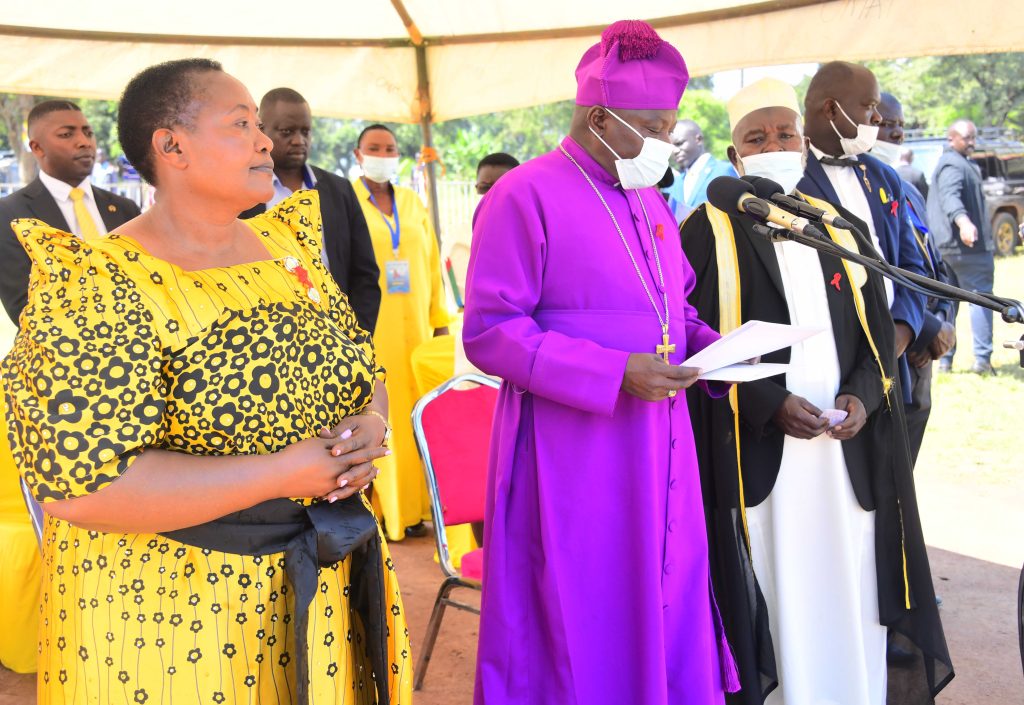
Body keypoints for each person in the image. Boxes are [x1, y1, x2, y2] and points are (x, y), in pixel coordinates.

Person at [2, 58, 412, 704]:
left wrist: (372, 421)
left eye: (259, 126)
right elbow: (82, 486)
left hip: (316, 585)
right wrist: (283, 472)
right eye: (241, 124)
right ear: (172, 146)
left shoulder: (289, 251)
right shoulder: (98, 283)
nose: (264, 141)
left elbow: (363, 369)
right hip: (173, 615)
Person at [464, 20, 740, 705]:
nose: (664, 141)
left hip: (661, 439)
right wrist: (615, 372)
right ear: (599, 117)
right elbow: (491, 331)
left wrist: (724, 350)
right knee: (582, 606)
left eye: (671, 125)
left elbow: (678, 308)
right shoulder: (524, 194)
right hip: (573, 447)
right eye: (652, 125)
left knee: (666, 587)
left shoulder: (649, 197)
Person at [681, 77, 952, 705]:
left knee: (850, 591)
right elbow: (697, 346)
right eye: (757, 136)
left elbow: (876, 336)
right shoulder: (704, 231)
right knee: (780, 593)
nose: (773, 143)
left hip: (845, 449)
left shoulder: (840, 226)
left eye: (783, 133)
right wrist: (769, 403)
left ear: (803, 145)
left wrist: (864, 397)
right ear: (734, 154)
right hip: (763, 457)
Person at [798, 62, 928, 407]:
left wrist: (899, 334)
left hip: (888, 362)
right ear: (831, 109)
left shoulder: (884, 176)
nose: (878, 119)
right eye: (869, 106)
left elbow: (912, 266)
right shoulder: (789, 178)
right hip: (822, 363)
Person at [352, 124, 450, 540]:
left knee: (421, 422)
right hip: (373, 332)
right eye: (374, 148)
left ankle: (421, 509)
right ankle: (391, 515)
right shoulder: (346, 201)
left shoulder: (412, 201)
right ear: (358, 154)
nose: (383, 154)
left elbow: (430, 264)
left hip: (419, 332)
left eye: (390, 148)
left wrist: (441, 322)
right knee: (383, 419)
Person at [240, 88, 381, 332]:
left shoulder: (339, 191)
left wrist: (358, 336)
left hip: (338, 335)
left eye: (305, 131)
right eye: (287, 132)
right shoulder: (241, 194)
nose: (299, 140)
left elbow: (365, 274)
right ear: (262, 130)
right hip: (270, 338)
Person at [0, 100, 141, 326]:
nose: (84, 142)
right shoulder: (10, 215)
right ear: (37, 148)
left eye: (88, 133)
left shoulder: (125, 208)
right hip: (61, 356)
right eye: (67, 135)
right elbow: (25, 307)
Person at [874, 93, 955, 463]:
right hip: (894, 349)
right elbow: (876, 272)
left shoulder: (906, 189)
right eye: (885, 123)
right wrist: (923, 327)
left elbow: (937, 265)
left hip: (925, 356)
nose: (896, 133)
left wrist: (946, 322)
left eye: (901, 126)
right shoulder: (850, 192)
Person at [928, 119, 996, 375]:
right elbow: (950, 196)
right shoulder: (952, 164)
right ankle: (981, 360)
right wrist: (964, 221)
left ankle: (946, 360)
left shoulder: (962, 163)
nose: (972, 143)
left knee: (948, 303)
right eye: (967, 137)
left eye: (973, 137)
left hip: (950, 248)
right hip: (966, 248)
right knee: (981, 300)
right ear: (951, 139)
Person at [665, 119, 737, 223]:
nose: (675, 151)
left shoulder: (726, 171)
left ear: (698, 139)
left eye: (679, 143)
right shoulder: (673, 184)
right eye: (671, 147)